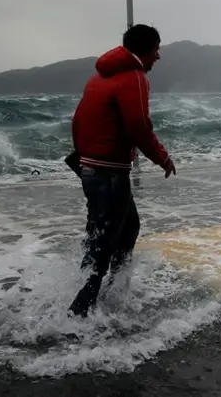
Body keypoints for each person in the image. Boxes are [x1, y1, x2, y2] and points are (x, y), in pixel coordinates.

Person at [67, 24, 176, 317]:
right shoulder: (134, 77)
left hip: (92, 169)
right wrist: (162, 158)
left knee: (122, 229)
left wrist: (85, 156)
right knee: (104, 244)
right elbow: (139, 126)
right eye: (156, 50)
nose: (158, 57)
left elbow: (78, 120)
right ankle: (78, 314)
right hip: (110, 174)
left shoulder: (98, 77)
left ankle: (114, 292)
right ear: (146, 49)